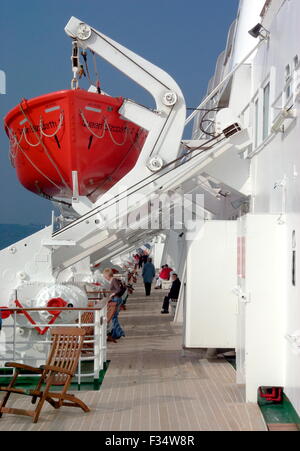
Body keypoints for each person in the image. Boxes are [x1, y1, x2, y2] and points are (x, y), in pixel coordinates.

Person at [103, 268, 126, 340]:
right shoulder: (114, 280)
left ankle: (119, 333)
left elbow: (118, 289)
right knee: (114, 317)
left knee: (114, 317)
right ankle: (116, 333)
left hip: (116, 299)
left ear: (107, 275)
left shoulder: (113, 280)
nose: (104, 277)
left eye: (104, 275)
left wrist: (112, 294)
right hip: (117, 299)